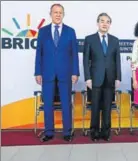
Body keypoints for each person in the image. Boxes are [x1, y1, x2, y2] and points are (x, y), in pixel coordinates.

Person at [34, 4, 79, 142]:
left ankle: (67, 132)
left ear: (63, 14)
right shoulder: (43, 31)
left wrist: (75, 72)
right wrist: (37, 72)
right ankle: (48, 132)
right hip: (47, 73)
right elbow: (39, 54)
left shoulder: (70, 31)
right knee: (48, 104)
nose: (58, 15)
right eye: (55, 12)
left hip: (65, 73)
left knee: (66, 104)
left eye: (60, 12)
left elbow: (74, 54)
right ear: (51, 14)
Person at [83, 13, 121, 142]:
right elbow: (85, 60)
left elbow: (117, 61)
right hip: (94, 79)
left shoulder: (115, 40)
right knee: (95, 108)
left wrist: (118, 78)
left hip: (110, 79)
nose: (105, 24)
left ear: (110, 24)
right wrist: (87, 78)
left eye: (108, 22)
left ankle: (106, 132)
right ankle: (94, 132)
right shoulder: (89, 39)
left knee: (107, 107)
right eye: (102, 21)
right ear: (98, 23)